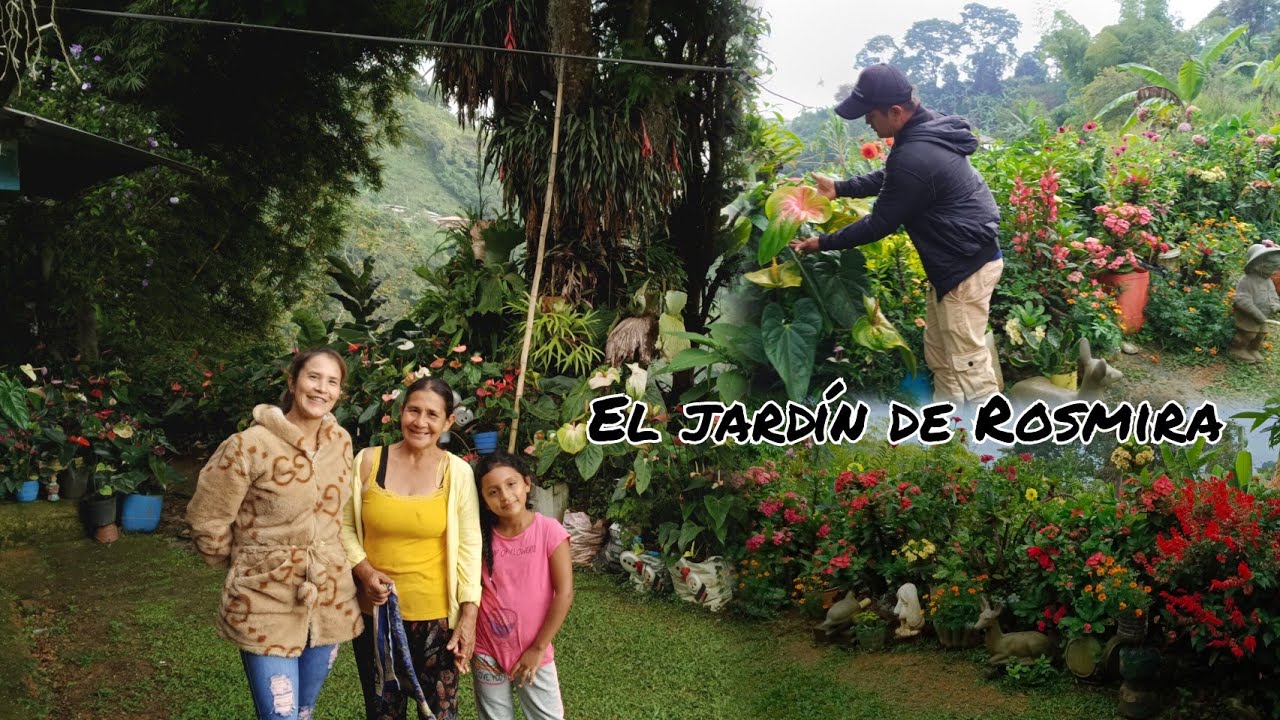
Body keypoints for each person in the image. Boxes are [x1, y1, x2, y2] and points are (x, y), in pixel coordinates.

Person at [790, 63, 1004, 406]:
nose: (867, 122)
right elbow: (894, 176)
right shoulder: (923, 130)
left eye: (870, 114)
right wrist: (841, 188)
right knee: (940, 351)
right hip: (956, 260)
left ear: (895, 111)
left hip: (965, 266)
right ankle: (951, 430)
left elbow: (879, 223)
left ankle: (996, 449)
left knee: (967, 361)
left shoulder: (916, 152)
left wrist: (823, 243)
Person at [186, 348, 362, 720]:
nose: (321, 389)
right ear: (293, 381)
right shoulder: (250, 445)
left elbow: (337, 514)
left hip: (329, 597)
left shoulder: (341, 442)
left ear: (340, 392)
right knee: (280, 715)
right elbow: (208, 517)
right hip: (264, 596)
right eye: (313, 377)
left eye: (332, 382)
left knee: (302, 711)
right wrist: (247, 563)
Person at [341, 376, 482, 720]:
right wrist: (363, 569)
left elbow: (469, 545)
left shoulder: (458, 472)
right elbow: (340, 524)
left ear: (448, 422)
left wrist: (469, 614)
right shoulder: (367, 461)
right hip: (377, 616)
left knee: (439, 713)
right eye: (413, 411)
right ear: (401, 412)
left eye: (432, 415)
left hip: (437, 621)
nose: (421, 422)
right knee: (383, 711)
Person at [470, 452, 573, 720]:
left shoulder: (549, 531)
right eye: (493, 491)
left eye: (511, 484)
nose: (504, 496)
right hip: (486, 649)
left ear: (527, 483)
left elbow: (564, 593)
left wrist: (538, 648)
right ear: (483, 499)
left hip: (534, 651)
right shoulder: (479, 538)